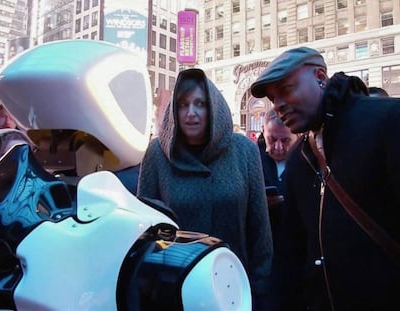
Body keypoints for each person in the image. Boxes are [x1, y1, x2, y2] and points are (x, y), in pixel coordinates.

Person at [250, 46, 400, 310]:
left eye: (286, 89)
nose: (278, 105)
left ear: (320, 77)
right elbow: (291, 255)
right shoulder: (300, 159)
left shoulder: (387, 122)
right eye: (273, 98)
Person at [137, 68, 273, 310]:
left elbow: (260, 230)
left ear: (213, 107)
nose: (191, 113)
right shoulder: (157, 154)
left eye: (200, 103)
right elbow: (144, 234)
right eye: (183, 104)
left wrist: (259, 293)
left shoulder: (244, 151)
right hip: (175, 292)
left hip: (234, 291)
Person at [258, 108, 297, 245]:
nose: (279, 147)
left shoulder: (308, 161)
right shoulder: (251, 159)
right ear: (263, 130)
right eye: (272, 139)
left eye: (286, 140)